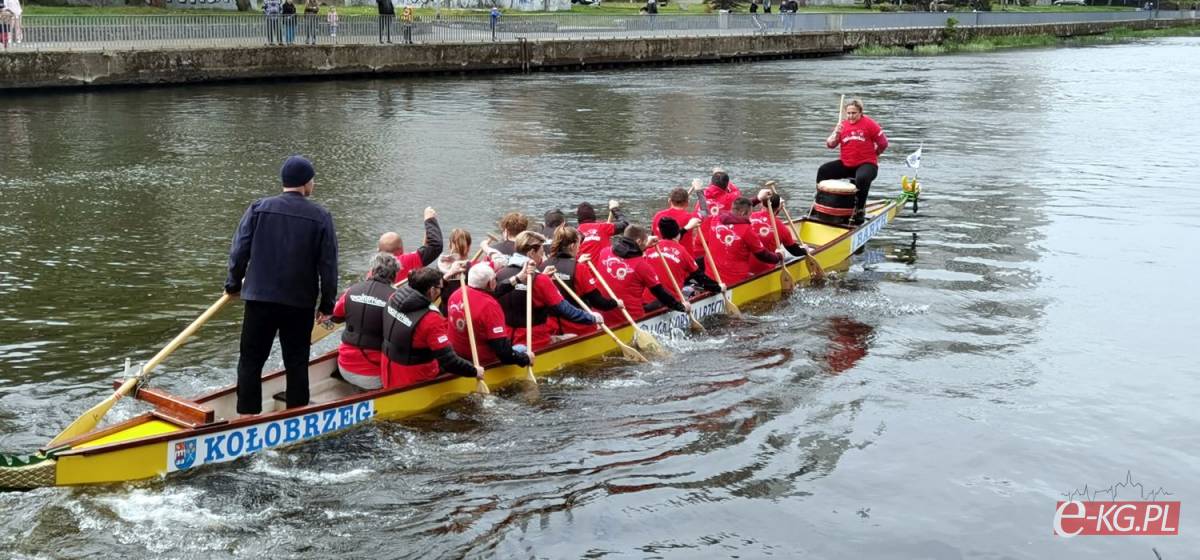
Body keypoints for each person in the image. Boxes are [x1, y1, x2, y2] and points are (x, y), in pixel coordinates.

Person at [226, 155, 338, 416]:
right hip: (299, 302)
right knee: (296, 361)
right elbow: (328, 265)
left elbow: (239, 250)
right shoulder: (321, 216)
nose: (313, 185)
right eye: (313, 180)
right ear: (306, 183)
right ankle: (296, 414)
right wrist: (327, 305)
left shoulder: (258, 208)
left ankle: (246, 415)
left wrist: (233, 284)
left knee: (251, 359)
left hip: (259, 299)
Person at [494, 231, 602, 349]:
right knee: (572, 336)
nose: (541, 258)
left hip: (507, 340)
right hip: (535, 341)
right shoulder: (540, 280)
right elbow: (565, 310)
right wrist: (592, 318)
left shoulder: (500, 274)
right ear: (531, 253)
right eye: (541, 254)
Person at [380, 268, 483, 389]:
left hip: (388, 368)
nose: (441, 291)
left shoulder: (393, 297)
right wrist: (474, 371)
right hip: (414, 378)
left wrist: (448, 275)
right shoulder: (431, 319)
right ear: (432, 290)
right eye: (440, 288)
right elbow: (449, 361)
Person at [594, 225, 690, 324]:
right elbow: (661, 294)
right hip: (633, 319)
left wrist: (644, 246)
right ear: (639, 241)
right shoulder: (642, 266)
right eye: (644, 242)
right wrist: (681, 307)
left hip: (602, 315)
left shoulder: (604, 252)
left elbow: (627, 253)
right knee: (663, 299)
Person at [329, 253, 397, 391]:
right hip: (373, 376)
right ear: (394, 276)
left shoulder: (351, 291)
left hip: (344, 368)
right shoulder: (395, 298)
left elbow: (336, 316)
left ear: (371, 271)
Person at [446, 263, 535, 368]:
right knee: (523, 348)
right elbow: (503, 353)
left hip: (457, 354)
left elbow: (494, 290)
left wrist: (518, 278)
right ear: (491, 283)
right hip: (481, 360)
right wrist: (525, 359)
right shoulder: (490, 307)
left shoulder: (456, 294)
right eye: (495, 279)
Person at [818, 98, 889, 225]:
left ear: (860, 112)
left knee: (862, 178)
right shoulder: (842, 125)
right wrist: (835, 133)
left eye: (854, 113)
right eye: (848, 113)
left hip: (867, 164)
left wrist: (876, 153)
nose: (851, 116)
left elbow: (883, 143)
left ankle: (859, 210)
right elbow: (830, 144)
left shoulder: (870, 124)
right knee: (823, 171)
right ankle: (820, 203)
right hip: (847, 164)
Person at [541, 226, 621, 337]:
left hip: (552, 328)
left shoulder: (543, 266)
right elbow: (598, 302)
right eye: (579, 244)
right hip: (578, 328)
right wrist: (616, 303)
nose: (580, 248)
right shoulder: (579, 268)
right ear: (572, 246)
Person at [700, 196, 781, 285]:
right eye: (749, 214)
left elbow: (736, 208)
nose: (750, 218)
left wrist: (758, 198)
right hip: (734, 279)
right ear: (743, 213)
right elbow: (763, 255)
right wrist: (778, 256)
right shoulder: (747, 230)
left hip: (711, 274)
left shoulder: (716, 218)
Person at [645, 217, 720, 306]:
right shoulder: (682, 251)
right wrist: (718, 288)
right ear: (677, 233)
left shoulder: (649, 249)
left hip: (646, 300)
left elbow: (674, 237)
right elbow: (699, 277)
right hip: (669, 302)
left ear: (661, 233)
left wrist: (687, 227)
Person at [377, 206, 443, 283]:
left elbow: (423, 254)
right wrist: (429, 219)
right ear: (401, 250)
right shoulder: (403, 262)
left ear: (378, 251)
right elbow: (435, 246)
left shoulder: (373, 272)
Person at [748, 193, 809, 275]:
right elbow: (795, 252)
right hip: (765, 269)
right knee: (788, 256)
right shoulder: (782, 228)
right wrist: (804, 250)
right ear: (778, 207)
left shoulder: (748, 217)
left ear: (761, 204)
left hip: (744, 267)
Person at [652, 187, 701, 256]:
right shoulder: (691, 219)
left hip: (660, 255)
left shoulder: (657, 216)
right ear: (687, 203)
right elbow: (696, 236)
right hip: (684, 257)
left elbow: (653, 234)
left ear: (669, 201)